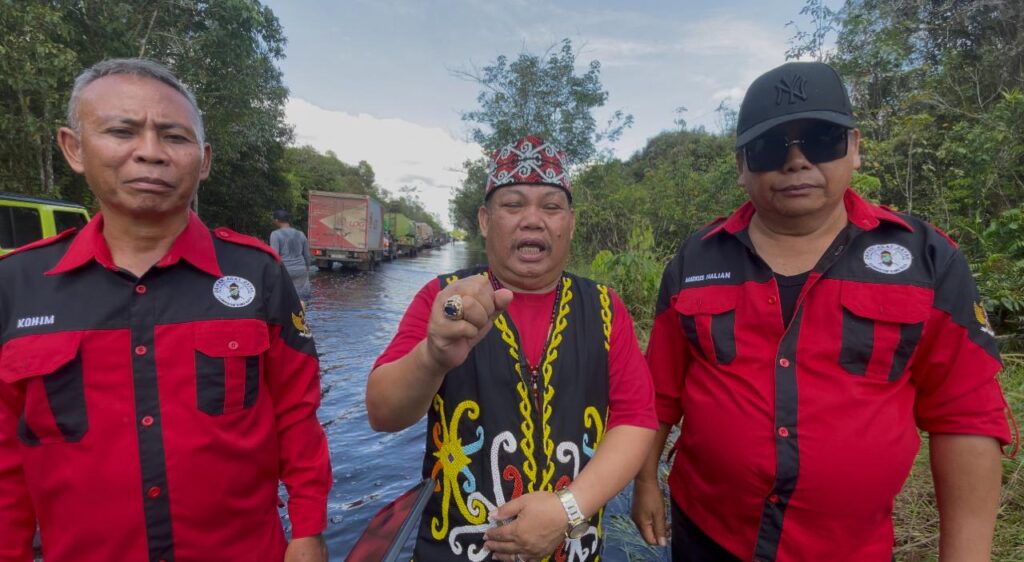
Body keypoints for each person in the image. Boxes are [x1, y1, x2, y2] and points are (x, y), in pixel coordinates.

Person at [631, 61, 1014, 562]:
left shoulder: (926, 260)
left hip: (849, 549)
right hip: (707, 536)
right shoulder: (696, 259)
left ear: (854, 148)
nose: (796, 163)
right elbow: (658, 395)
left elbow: (965, 418)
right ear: (742, 166)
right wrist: (645, 483)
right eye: (770, 148)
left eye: (820, 140)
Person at [0, 58, 331, 562]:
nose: (150, 153)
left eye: (174, 137)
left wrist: (307, 532)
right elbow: (5, 455)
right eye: (121, 131)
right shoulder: (17, 286)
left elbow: (297, 416)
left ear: (203, 161)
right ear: (73, 148)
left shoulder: (257, 275)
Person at [365, 135, 658, 562]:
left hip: (574, 548)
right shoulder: (442, 298)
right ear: (485, 220)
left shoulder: (605, 309)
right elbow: (383, 415)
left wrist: (567, 509)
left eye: (551, 207)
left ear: (570, 223)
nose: (533, 220)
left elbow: (635, 419)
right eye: (514, 205)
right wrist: (432, 357)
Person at [270, 209, 313, 302]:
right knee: (302, 300)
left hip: (285, 271)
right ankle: (300, 316)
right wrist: (307, 269)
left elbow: (274, 256)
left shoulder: (275, 235)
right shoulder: (300, 234)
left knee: (285, 299)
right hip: (300, 270)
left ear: (277, 220)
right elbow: (307, 256)